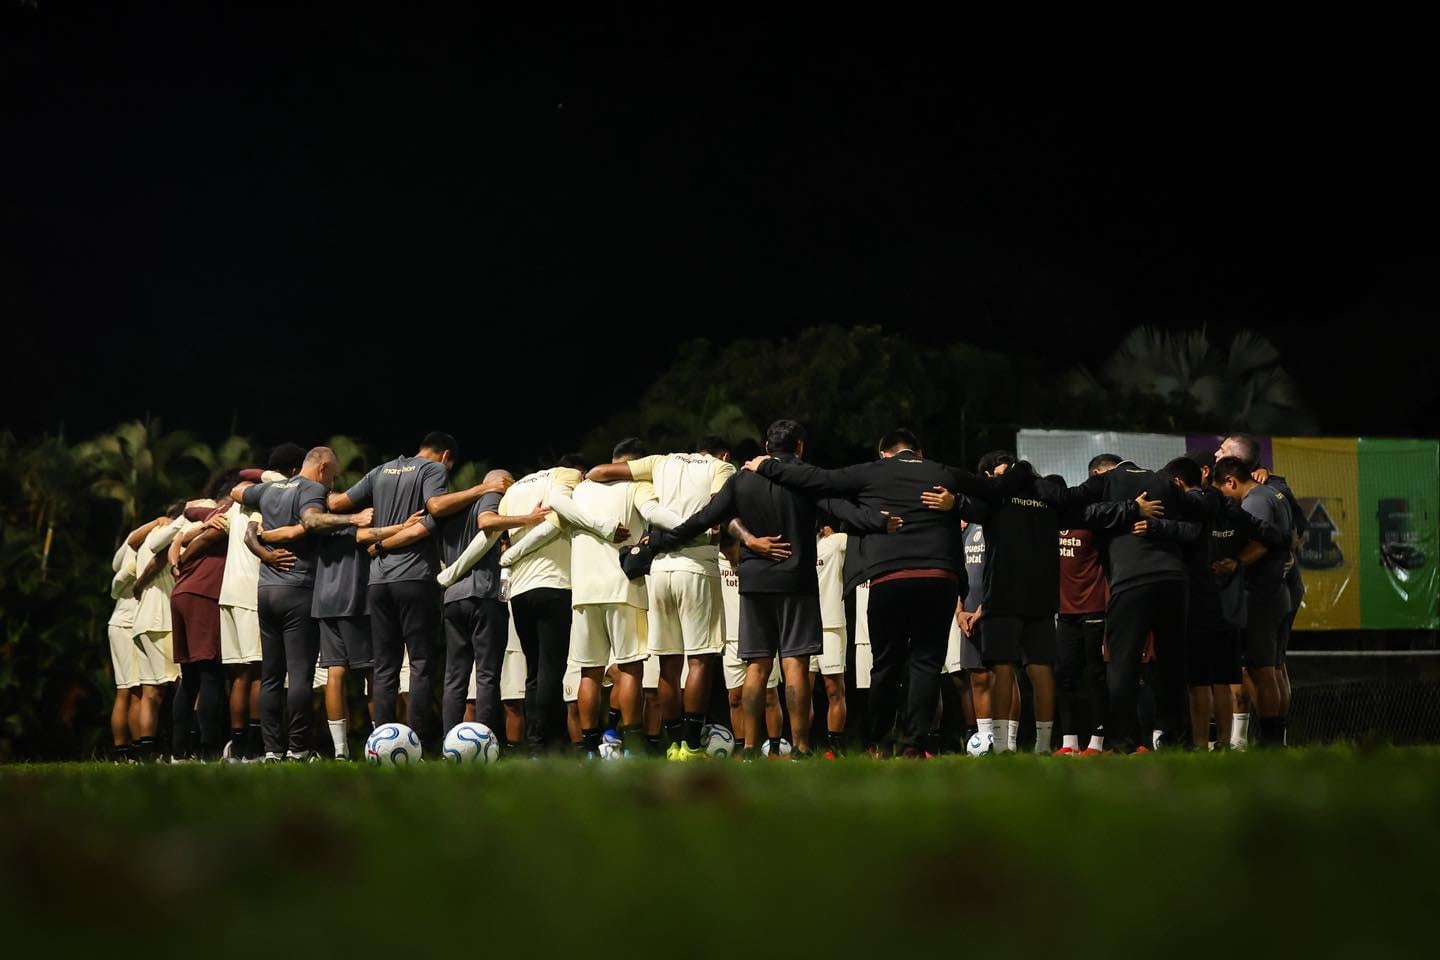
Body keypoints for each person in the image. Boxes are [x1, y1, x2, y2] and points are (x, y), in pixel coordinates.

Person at [658, 420, 894, 759]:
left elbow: (705, 517)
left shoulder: (742, 478)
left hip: (754, 581)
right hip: (796, 579)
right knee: (795, 665)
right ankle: (799, 747)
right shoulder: (804, 478)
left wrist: (661, 542)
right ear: (799, 447)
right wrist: (880, 522)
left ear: (768, 447)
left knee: (757, 666)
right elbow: (842, 510)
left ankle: (751, 748)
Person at [748, 428, 979, 758]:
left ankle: (879, 743)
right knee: (926, 663)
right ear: (919, 451)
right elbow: (989, 493)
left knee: (885, 663)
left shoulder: (873, 471)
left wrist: (767, 465)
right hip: (937, 577)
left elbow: (818, 479)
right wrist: (958, 503)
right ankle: (913, 744)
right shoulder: (941, 471)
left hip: (889, 579)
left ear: (882, 453)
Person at [505, 439, 679, 757]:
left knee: (590, 672)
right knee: (629, 669)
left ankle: (589, 748)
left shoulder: (579, 491)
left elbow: (547, 527)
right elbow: (654, 512)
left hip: (583, 592)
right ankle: (632, 745)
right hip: (624, 589)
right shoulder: (636, 487)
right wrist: (698, 528)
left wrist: (510, 556)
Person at [586, 437, 735, 759]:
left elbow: (597, 472)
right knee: (699, 661)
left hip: (660, 570)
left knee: (668, 665)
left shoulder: (659, 462)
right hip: (697, 565)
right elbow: (716, 511)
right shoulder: (721, 467)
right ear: (722, 453)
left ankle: (675, 746)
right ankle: (694, 746)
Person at [236, 446, 370, 761]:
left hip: (266, 589)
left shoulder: (269, 489)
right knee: (299, 674)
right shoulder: (312, 489)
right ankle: (297, 749)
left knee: (270, 675)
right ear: (322, 468)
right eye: (332, 476)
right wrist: (354, 517)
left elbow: (238, 491)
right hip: (297, 587)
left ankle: (271, 750)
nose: (332, 485)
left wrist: (265, 549)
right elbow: (311, 522)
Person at [328, 432, 455, 753]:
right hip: (415, 578)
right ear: (445, 456)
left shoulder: (380, 471)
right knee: (421, 664)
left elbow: (336, 503)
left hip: (378, 581)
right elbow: (436, 509)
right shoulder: (433, 470)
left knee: (384, 666)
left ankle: (381, 745)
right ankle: (420, 745)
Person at [496, 454, 623, 754]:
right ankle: (553, 744)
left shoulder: (514, 490)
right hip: (554, 585)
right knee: (552, 670)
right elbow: (560, 518)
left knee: (534, 673)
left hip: (520, 591)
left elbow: (493, 532)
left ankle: (536, 743)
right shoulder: (566, 479)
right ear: (576, 472)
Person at [433, 469, 538, 742]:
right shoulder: (491, 497)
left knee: (454, 677)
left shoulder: (453, 508)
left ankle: (449, 742)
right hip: (483, 595)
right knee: (487, 675)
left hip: (453, 598)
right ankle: (484, 742)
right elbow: (487, 521)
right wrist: (529, 518)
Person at [1216, 433, 1307, 744]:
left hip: (1262, 595)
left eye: (1223, 450)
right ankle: (1275, 740)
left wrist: (1234, 564)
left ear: (1232, 476)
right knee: (1274, 667)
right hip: (1276, 593)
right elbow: (1293, 532)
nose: (1216, 453)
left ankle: (1268, 742)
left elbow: (1261, 543)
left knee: (1261, 670)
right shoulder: (1275, 491)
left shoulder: (1256, 499)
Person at [216, 444, 305, 761]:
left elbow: (240, 480)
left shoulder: (241, 499)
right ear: (295, 471)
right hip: (253, 590)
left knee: (242, 674)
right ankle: (255, 746)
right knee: (261, 672)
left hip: (229, 592)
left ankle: (238, 745)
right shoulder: (270, 496)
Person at [168, 471, 242, 761]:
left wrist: (187, 541)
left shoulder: (206, 513)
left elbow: (189, 506)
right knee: (211, 673)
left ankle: (178, 752)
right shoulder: (231, 511)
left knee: (189, 678)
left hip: (182, 592)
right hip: (203, 594)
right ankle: (209, 750)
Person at [1054, 468, 1110, 756]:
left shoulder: (1092, 520)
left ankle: (1098, 742)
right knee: (1064, 675)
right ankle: (1069, 742)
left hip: (1094, 609)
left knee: (1095, 676)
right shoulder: (1048, 524)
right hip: (1065, 613)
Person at [106, 516, 170, 761]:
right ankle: (130, 752)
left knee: (133, 691)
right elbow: (133, 539)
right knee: (132, 691)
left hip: (126, 624)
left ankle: (132, 751)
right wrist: (157, 522)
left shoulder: (135, 549)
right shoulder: (137, 548)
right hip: (126, 625)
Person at [813, 521, 850, 758]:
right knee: (800, 691)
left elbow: (860, 535)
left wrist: (833, 532)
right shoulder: (792, 545)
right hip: (801, 625)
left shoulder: (834, 542)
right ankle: (801, 745)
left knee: (834, 690)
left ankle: (833, 748)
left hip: (831, 624)